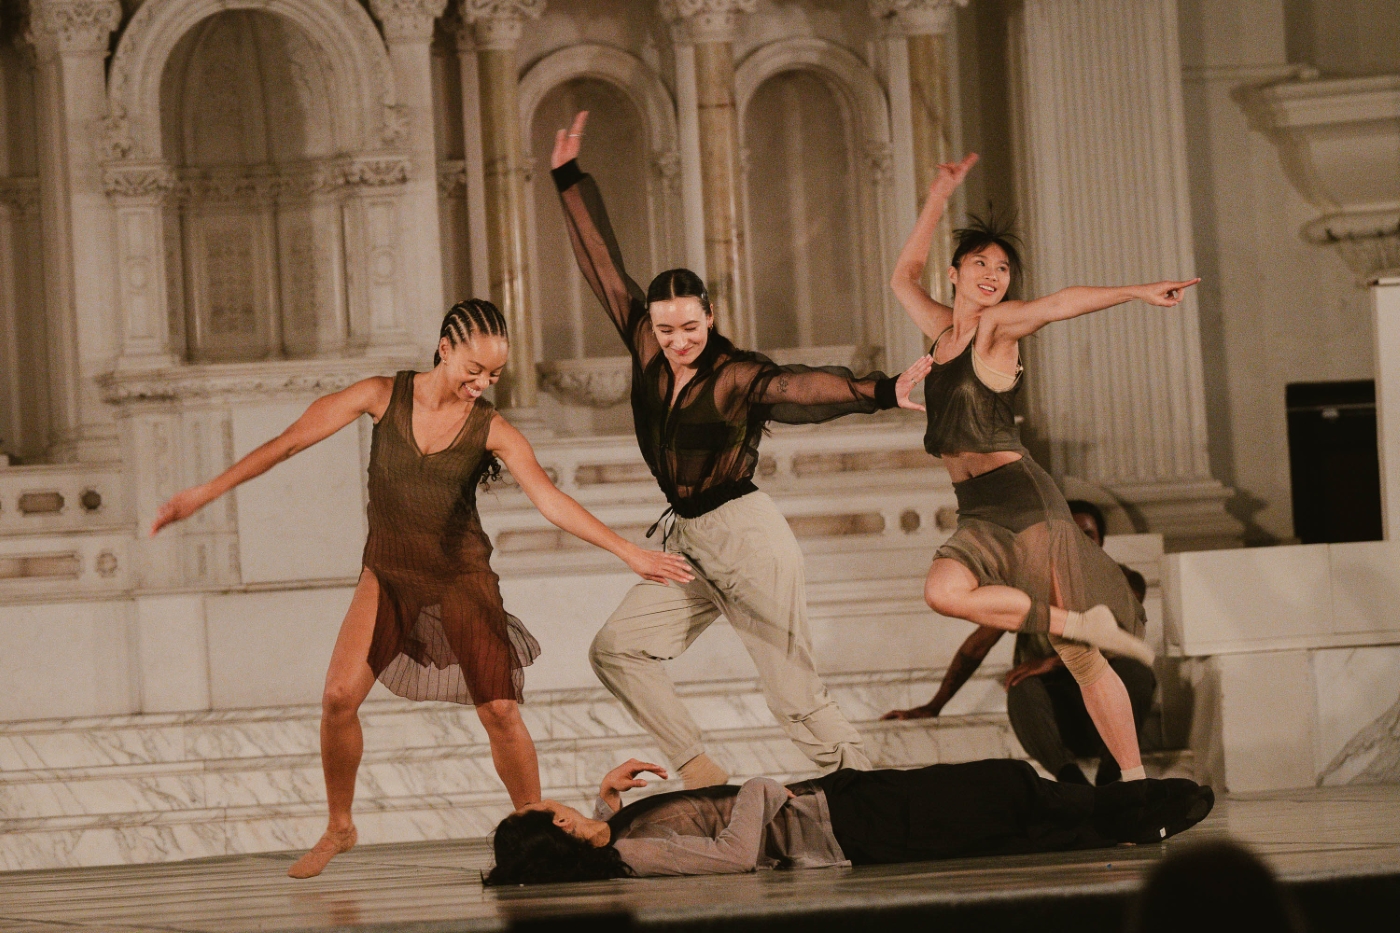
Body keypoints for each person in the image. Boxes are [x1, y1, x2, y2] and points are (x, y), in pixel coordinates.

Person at [150, 299, 693, 878]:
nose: (482, 384)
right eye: (474, 370)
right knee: (337, 698)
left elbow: (551, 500)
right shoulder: (380, 396)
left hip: (461, 577)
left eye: (494, 376)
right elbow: (286, 443)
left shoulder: (492, 429)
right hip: (388, 574)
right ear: (444, 349)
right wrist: (201, 495)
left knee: (501, 711)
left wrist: (628, 552)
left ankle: (539, 834)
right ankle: (341, 825)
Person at [549, 112, 935, 788]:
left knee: (793, 695)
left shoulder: (733, 372)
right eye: (666, 328)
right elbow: (604, 266)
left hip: (748, 537)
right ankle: (700, 768)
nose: (677, 339)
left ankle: (872, 790)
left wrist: (879, 390)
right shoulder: (644, 342)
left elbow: (798, 389)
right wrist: (567, 179)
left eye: (689, 326)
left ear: (710, 317)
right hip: (688, 540)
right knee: (616, 649)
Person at [891, 152, 1198, 784]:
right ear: (955, 273)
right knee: (944, 593)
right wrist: (936, 199)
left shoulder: (999, 328)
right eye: (981, 263)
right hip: (976, 512)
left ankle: (1134, 780)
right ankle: (1069, 622)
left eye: (1003, 269)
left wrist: (1136, 292)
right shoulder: (943, 331)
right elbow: (902, 276)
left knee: (1082, 662)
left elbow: (1061, 304)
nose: (994, 275)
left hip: (1024, 501)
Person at [483, 757, 1214, 883]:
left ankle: (1127, 814)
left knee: (1000, 802)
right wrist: (763, 784)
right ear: (562, 834)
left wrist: (606, 798)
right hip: (846, 828)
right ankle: (1138, 807)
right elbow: (735, 855)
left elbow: (620, 831)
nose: (554, 802)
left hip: (841, 807)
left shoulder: (614, 834)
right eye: (550, 812)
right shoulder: (634, 858)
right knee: (1000, 793)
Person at [883, 500, 1157, 785]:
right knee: (1020, 685)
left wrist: (1051, 663)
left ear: (1101, 540)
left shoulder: (1125, 580)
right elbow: (977, 645)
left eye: (1087, 534)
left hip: (1109, 707)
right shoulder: (1028, 584)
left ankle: (1113, 777)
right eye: (1070, 535)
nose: (1079, 544)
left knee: (1135, 673)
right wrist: (934, 705)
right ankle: (1072, 782)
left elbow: (1123, 641)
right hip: (1056, 717)